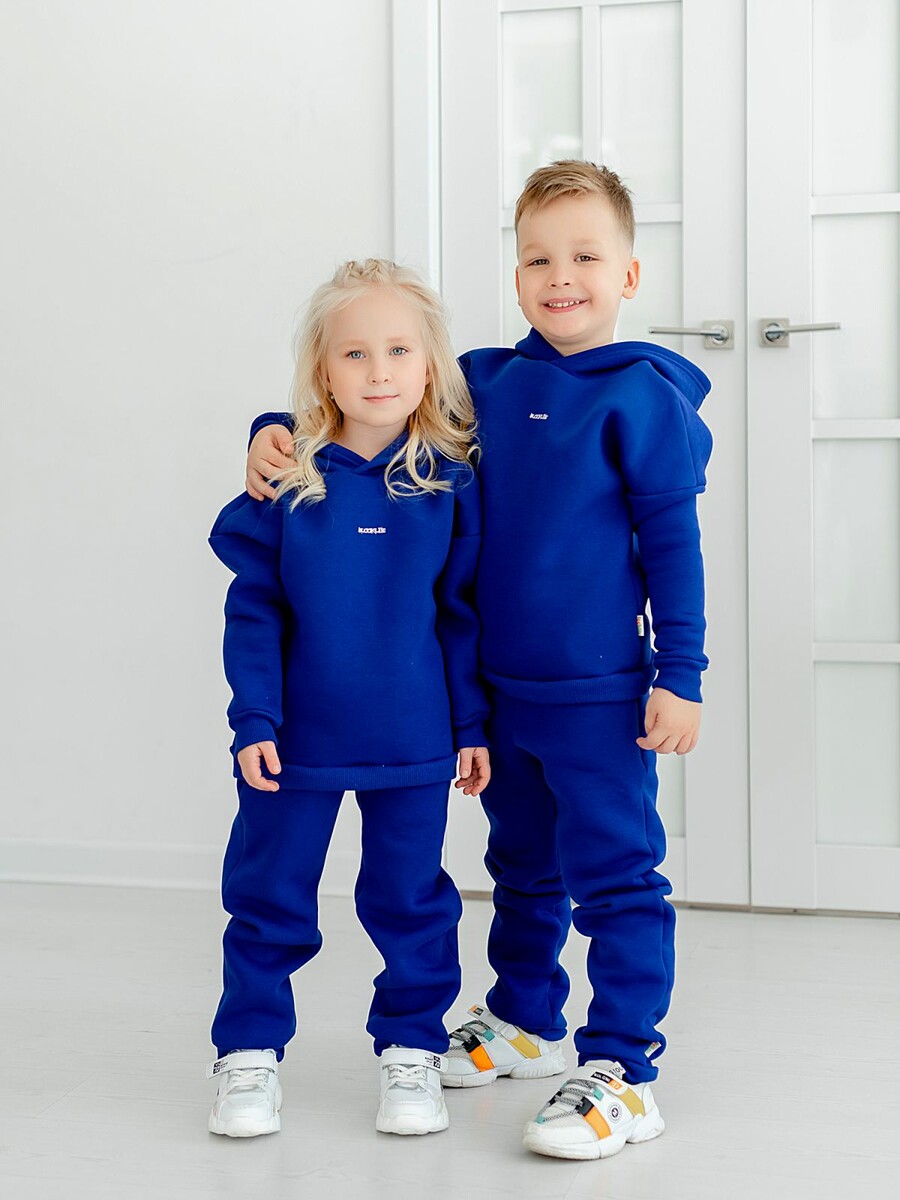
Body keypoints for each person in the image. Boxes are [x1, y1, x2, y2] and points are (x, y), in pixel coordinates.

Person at [244, 161, 712, 1162]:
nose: (560, 276)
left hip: (600, 694)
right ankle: (527, 1019)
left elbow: (674, 546)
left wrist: (682, 673)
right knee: (522, 865)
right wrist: (271, 431)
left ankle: (624, 1068)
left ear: (630, 275)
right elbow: (374, 394)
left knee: (617, 875)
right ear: (516, 272)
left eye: (586, 256)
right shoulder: (484, 383)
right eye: (537, 258)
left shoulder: (644, 399)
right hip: (500, 690)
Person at [206, 258, 490, 1141]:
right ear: (322, 371)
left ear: (430, 365)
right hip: (295, 741)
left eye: (399, 350)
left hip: (414, 739)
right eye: (355, 353)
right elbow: (253, 612)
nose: (378, 371)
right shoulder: (286, 481)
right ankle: (248, 1053)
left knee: (411, 900)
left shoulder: (449, 483)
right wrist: (253, 718)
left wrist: (470, 725)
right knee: (269, 896)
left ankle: (412, 1049)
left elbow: (461, 615)